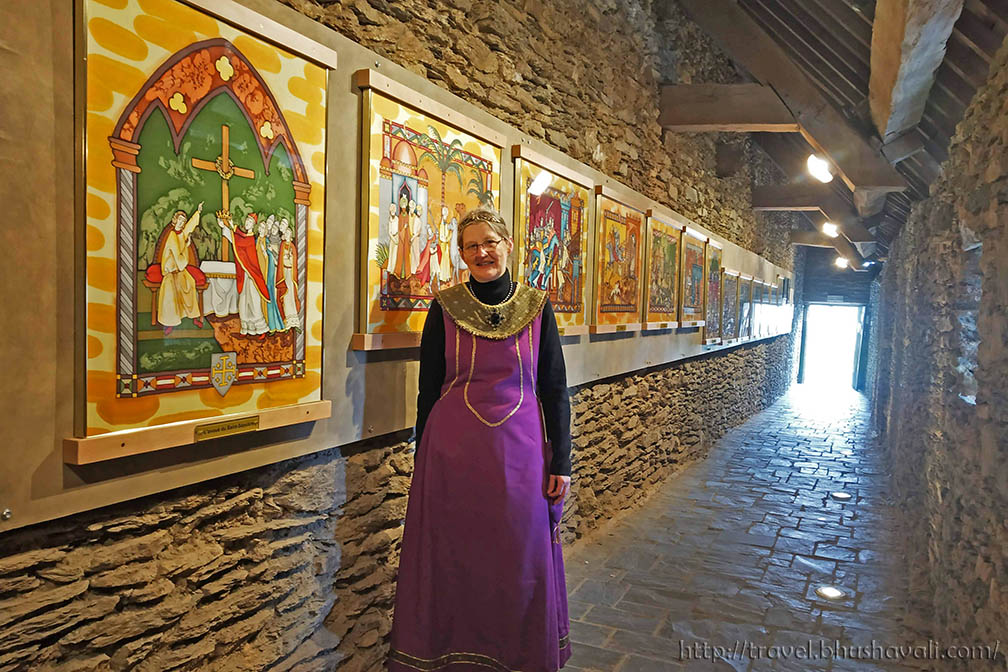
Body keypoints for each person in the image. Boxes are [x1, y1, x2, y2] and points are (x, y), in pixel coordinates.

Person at [388, 205, 573, 672]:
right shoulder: (445, 307)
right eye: (471, 245)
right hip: (451, 453)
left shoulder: (537, 307)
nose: (482, 252)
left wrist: (562, 462)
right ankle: (450, 654)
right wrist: (420, 450)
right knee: (454, 558)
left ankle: (520, 655)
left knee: (519, 554)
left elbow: (554, 388)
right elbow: (429, 387)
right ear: (462, 254)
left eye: (490, 242)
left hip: (523, 454)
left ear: (508, 245)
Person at [157, 203, 204, 335]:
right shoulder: (172, 236)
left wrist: (198, 212)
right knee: (170, 295)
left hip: (180, 272)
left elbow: (189, 228)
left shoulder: (181, 234)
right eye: (180, 220)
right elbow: (180, 260)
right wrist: (186, 247)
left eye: (183, 221)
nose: (182, 223)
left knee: (190, 284)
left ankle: (194, 316)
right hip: (171, 273)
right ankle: (169, 324)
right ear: (175, 220)